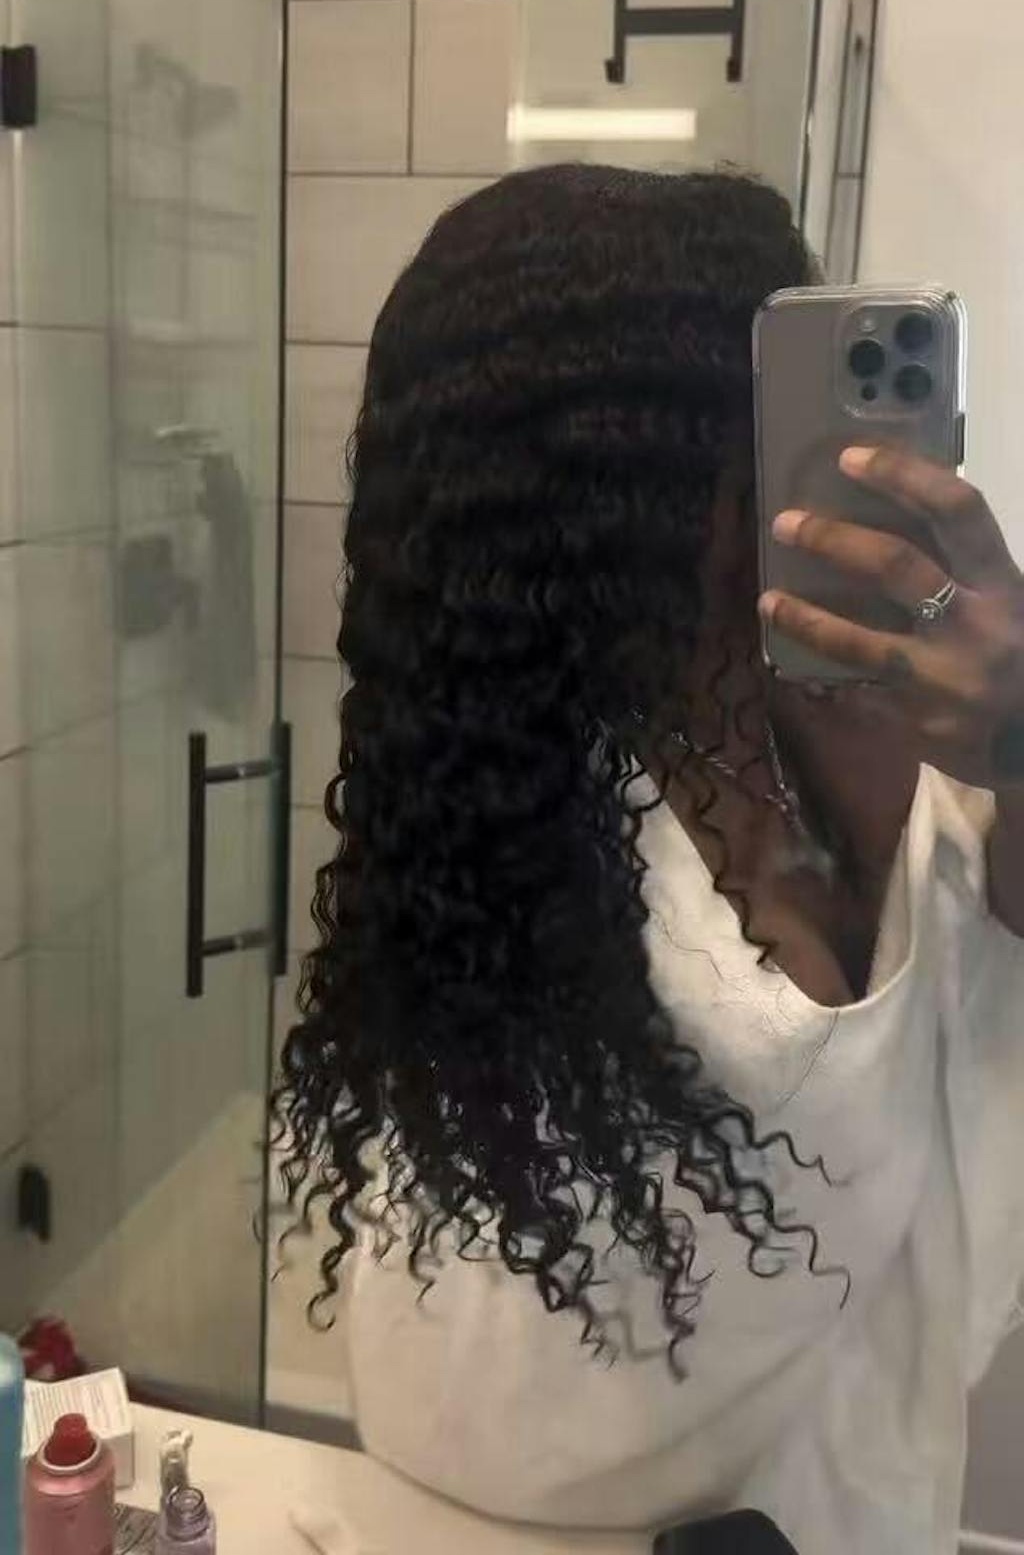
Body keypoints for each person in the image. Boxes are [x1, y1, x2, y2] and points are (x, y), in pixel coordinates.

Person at [277, 166, 1024, 1555]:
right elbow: (831, 1135)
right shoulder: (530, 849)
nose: (810, 453)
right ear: (649, 478)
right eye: (766, 407)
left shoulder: (822, 722)